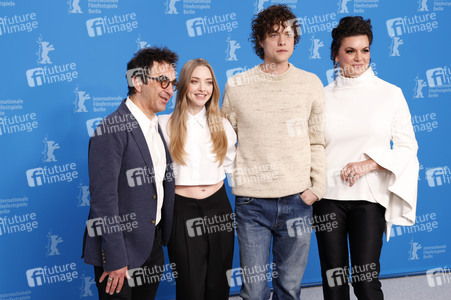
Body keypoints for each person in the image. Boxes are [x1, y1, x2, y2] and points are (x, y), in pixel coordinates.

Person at [221, 5, 326, 300]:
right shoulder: (237, 85)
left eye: (289, 34)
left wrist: (317, 187)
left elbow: (317, 140)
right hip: (252, 204)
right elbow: (224, 140)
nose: (282, 41)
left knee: (289, 290)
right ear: (261, 41)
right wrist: (236, 179)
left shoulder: (310, 84)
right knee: (253, 293)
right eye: (274, 34)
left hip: (298, 200)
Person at [313, 16, 419, 300]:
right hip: (327, 198)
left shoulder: (390, 94)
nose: (359, 58)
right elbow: (312, 147)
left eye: (365, 50)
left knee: (365, 281)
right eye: (350, 51)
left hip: (369, 198)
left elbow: (408, 147)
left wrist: (368, 164)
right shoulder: (320, 97)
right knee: (333, 282)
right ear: (336, 54)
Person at [82, 46, 178, 300]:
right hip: (120, 252)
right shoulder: (112, 128)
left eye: (173, 83)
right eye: (163, 81)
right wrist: (114, 259)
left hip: (151, 245)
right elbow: (103, 200)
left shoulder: (154, 125)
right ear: (137, 81)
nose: (170, 89)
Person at [158, 58, 237, 300]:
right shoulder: (162, 124)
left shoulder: (223, 125)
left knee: (218, 285)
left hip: (218, 206)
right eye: (195, 81)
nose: (202, 88)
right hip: (182, 209)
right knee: (190, 287)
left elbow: (230, 165)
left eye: (208, 82)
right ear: (182, 85)